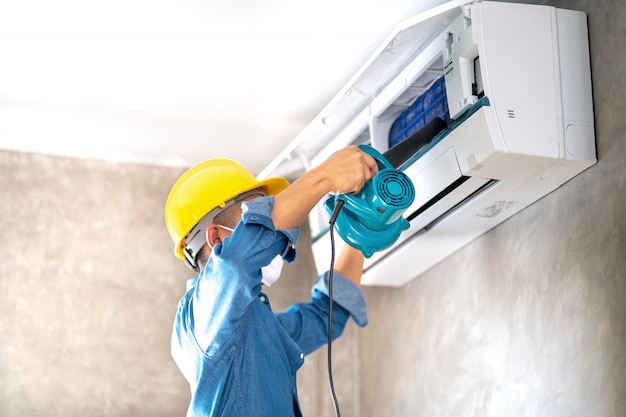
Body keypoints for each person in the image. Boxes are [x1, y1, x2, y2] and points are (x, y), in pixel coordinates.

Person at [164, 145, 379, 417]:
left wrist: (364, 225)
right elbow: (236, 264)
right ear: (216, 238)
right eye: (254, 218)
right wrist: (326, 176)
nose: (274, 230)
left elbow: (326, 315)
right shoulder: (199, 317)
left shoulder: (253, 331)